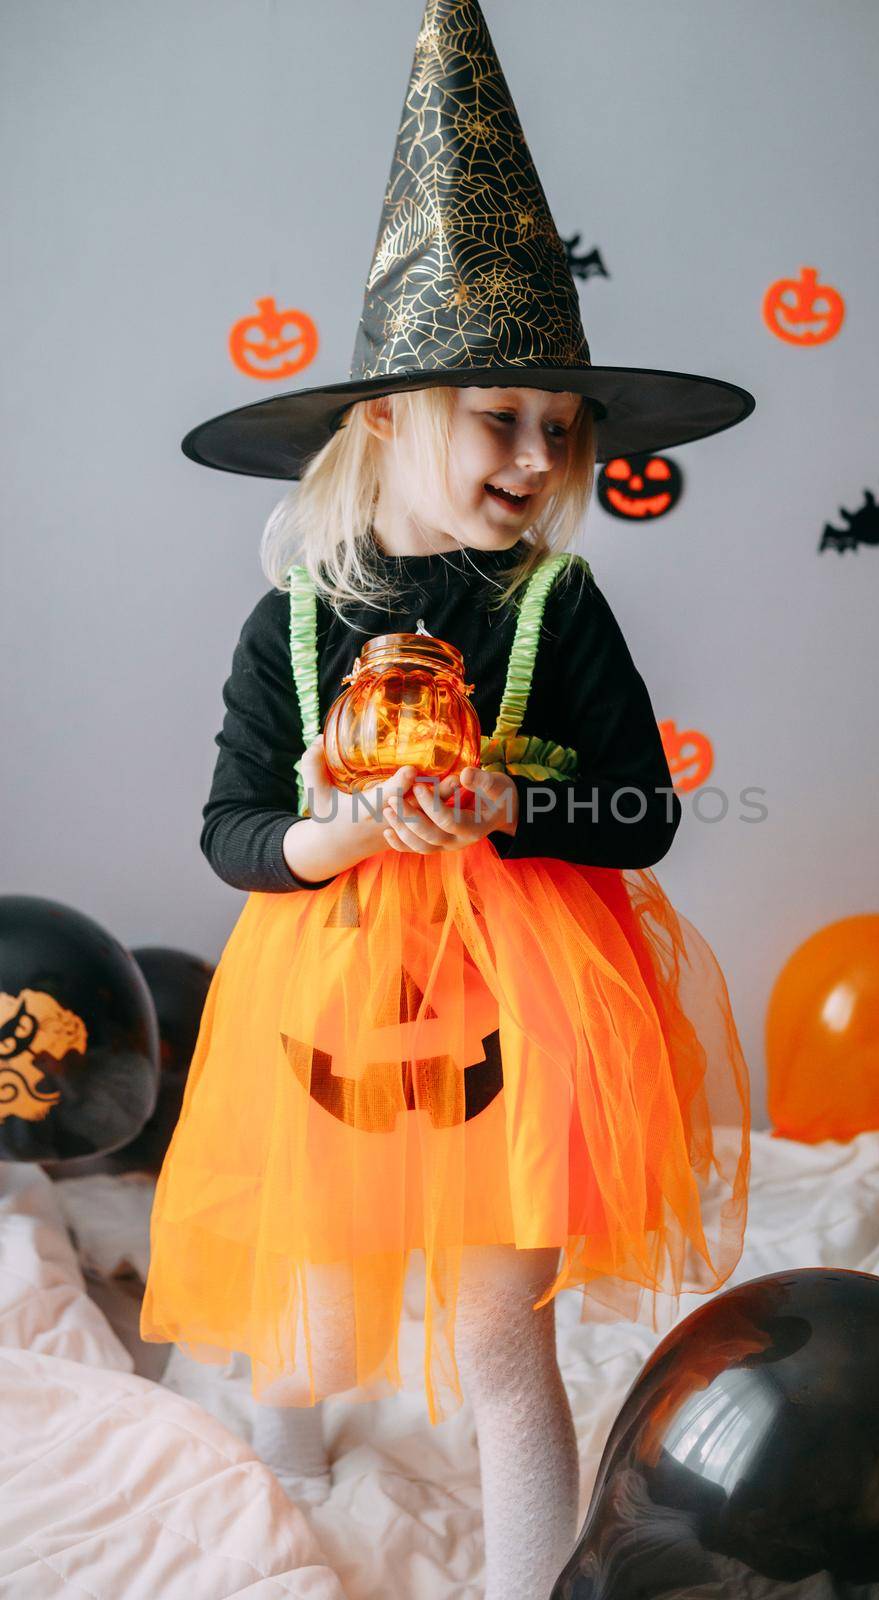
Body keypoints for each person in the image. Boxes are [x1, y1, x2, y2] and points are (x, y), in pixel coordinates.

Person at [141, 3, 754, 1594]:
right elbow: (227, 831)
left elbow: (644, 815)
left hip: (527, 1017)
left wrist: (511, 810)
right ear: (387, 418)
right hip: (330, 1016)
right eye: (503, 417)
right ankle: (289, 1454)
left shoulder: (561, 608)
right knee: (320, 1298)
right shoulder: (286, 623)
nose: (540, 455)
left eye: (564, 430)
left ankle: (525, 1581)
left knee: (501, 1338)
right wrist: (332, 834)